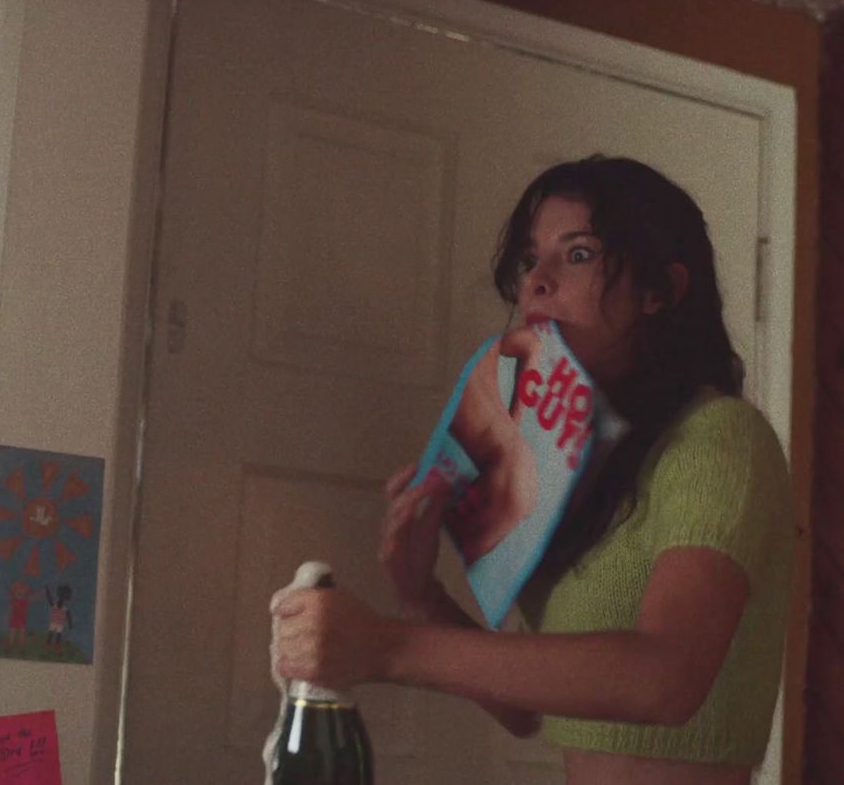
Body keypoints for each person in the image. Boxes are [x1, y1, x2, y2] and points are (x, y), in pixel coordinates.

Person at [271, 156, 795, 784]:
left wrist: (384, 646)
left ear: (661, 290)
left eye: (577, 254)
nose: (535, 284)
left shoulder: (721, 438)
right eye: (530, 260)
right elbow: (525, 710)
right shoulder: (572, 468)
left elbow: (665, 679)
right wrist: (422, 596)